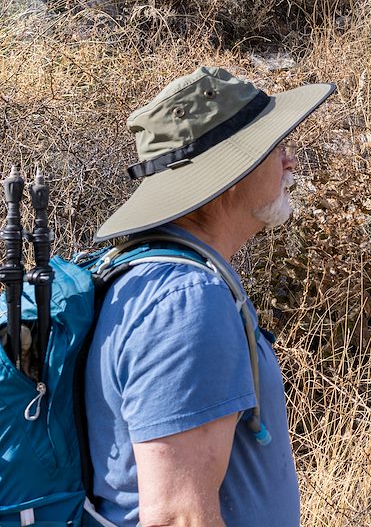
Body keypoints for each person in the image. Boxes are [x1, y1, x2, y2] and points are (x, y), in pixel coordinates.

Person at [85, 66, 334, 527]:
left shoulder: (158, 279)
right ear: (230, 173)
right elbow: (180, 516)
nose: (290, 160)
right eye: (274, 146)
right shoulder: (186, 303)